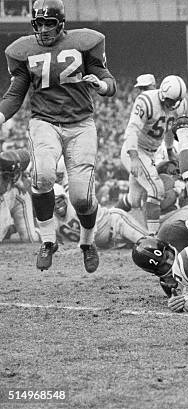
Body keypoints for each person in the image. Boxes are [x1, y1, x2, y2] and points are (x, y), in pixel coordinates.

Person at [0, 0, 116, 272]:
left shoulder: (85, 42)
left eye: (48, 23)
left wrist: (99, 85)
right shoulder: (22, 51)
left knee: (81, 197)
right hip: (44, 121)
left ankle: (87, 243)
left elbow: (109, 81)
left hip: (80, 124)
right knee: (42, 175)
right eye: (38, 23)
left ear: (60, 23)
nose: (43, 29)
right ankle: (48, 240)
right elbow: (15, 94)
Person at [119, 75, 188, 235]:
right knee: (156, 189)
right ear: (163, 95)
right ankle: (154, 237)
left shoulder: (177, 105)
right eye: (170, 101)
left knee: (134, 200)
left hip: (149, 154)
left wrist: (170, 151)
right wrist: (134, 157)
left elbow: (169, 129)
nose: (173, 105)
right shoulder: (146, 101)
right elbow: (132, 130)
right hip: (136, 150)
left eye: (176, 102)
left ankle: (108, 220)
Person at [53, 184, 147, 249]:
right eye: (53, 204)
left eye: (59, 201)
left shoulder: (78, 204)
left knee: (148, 244)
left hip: (116, 224)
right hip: (109, 246)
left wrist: (81, 247)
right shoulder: (52, 219)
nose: (57, 206)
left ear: (65, 198)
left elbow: (91, 230)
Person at [0, 149, 38, 243]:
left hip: (17, 198)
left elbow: (25, 155)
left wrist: (22, 182)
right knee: (4, 224)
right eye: (6, 177)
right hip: (4, 198)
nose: (10, 178)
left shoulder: (14, 165)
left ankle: (43, 233)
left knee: (30, 239)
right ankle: (11, 228)